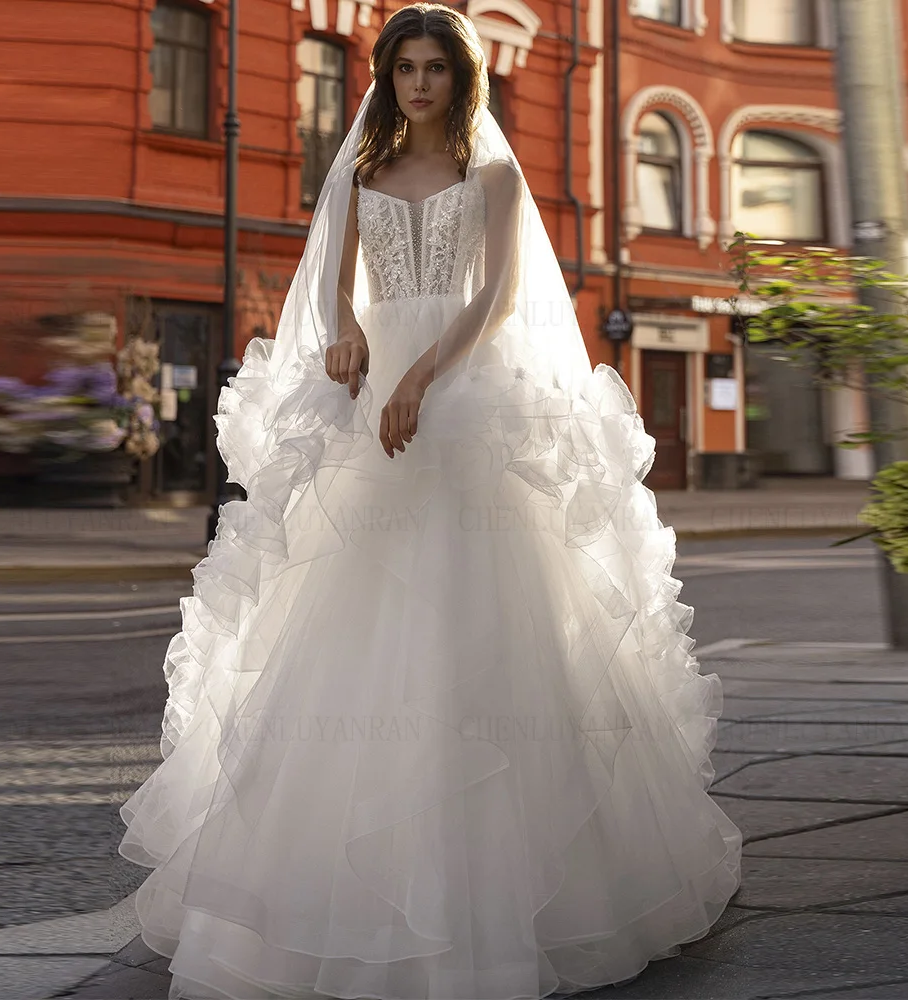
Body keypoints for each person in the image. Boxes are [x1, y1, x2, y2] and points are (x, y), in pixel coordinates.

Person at [118, 5, 742, 999]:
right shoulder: (362, 175)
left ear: (458, 78)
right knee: (344, 609)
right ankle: (324, 888)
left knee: (481, 611)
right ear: (387, 76)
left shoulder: (489, 176)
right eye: (403, 67)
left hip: (463, 395)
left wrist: (421, 376)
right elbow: (330, 284)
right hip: (369, 398)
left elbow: (495, 297)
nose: (417, 83)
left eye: (433, 68)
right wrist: (343, 340)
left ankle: (499, 897)